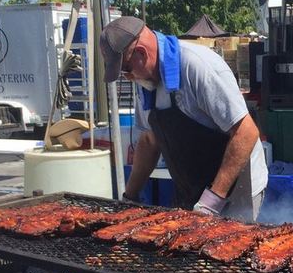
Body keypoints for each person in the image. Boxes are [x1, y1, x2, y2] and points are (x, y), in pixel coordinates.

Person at [99, 16, 267, 220]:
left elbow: (246, 132)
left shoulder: (195, 66)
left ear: (142, 53)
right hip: (191, 185)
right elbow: (149, 141)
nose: (128, 77)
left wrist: (212, 201)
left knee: (229, 249)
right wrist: (129, 197)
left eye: (126, 70)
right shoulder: (145, 84)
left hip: (235, 187)